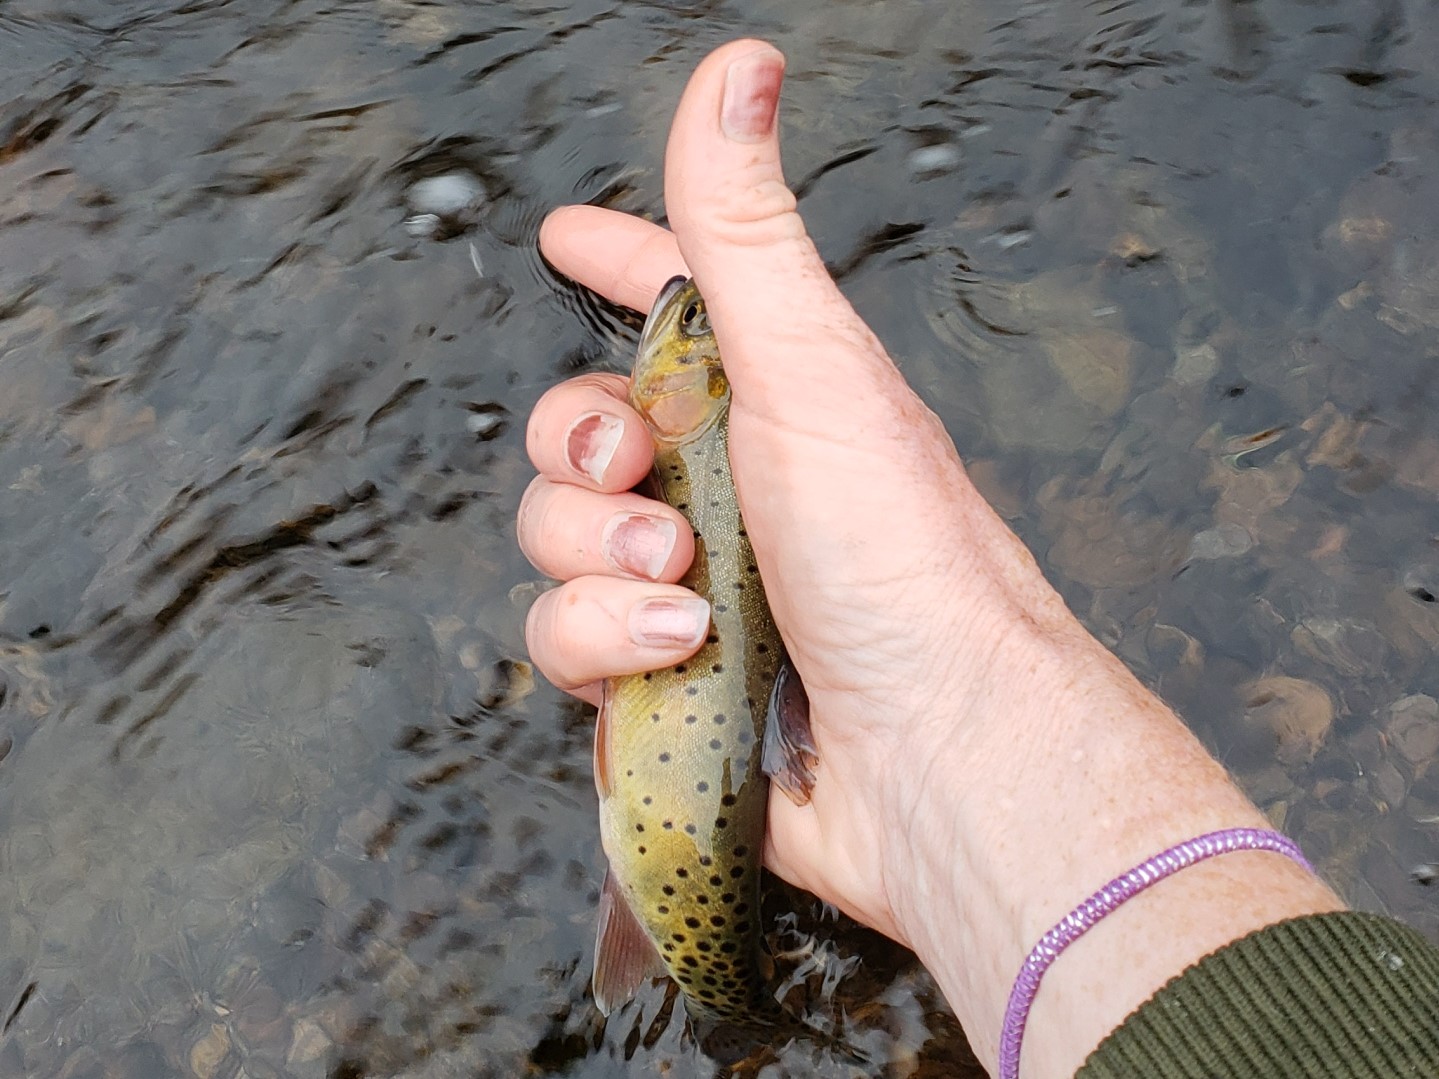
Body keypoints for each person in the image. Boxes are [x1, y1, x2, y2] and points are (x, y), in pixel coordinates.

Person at [516, 39, 1439, 1078]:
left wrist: (947, 725)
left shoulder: (697, 426)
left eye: (688, 332)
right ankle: (717, 986)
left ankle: (726, 999)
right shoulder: (689, 435)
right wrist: (946, 754)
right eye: (691, 330)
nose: (673, 332)